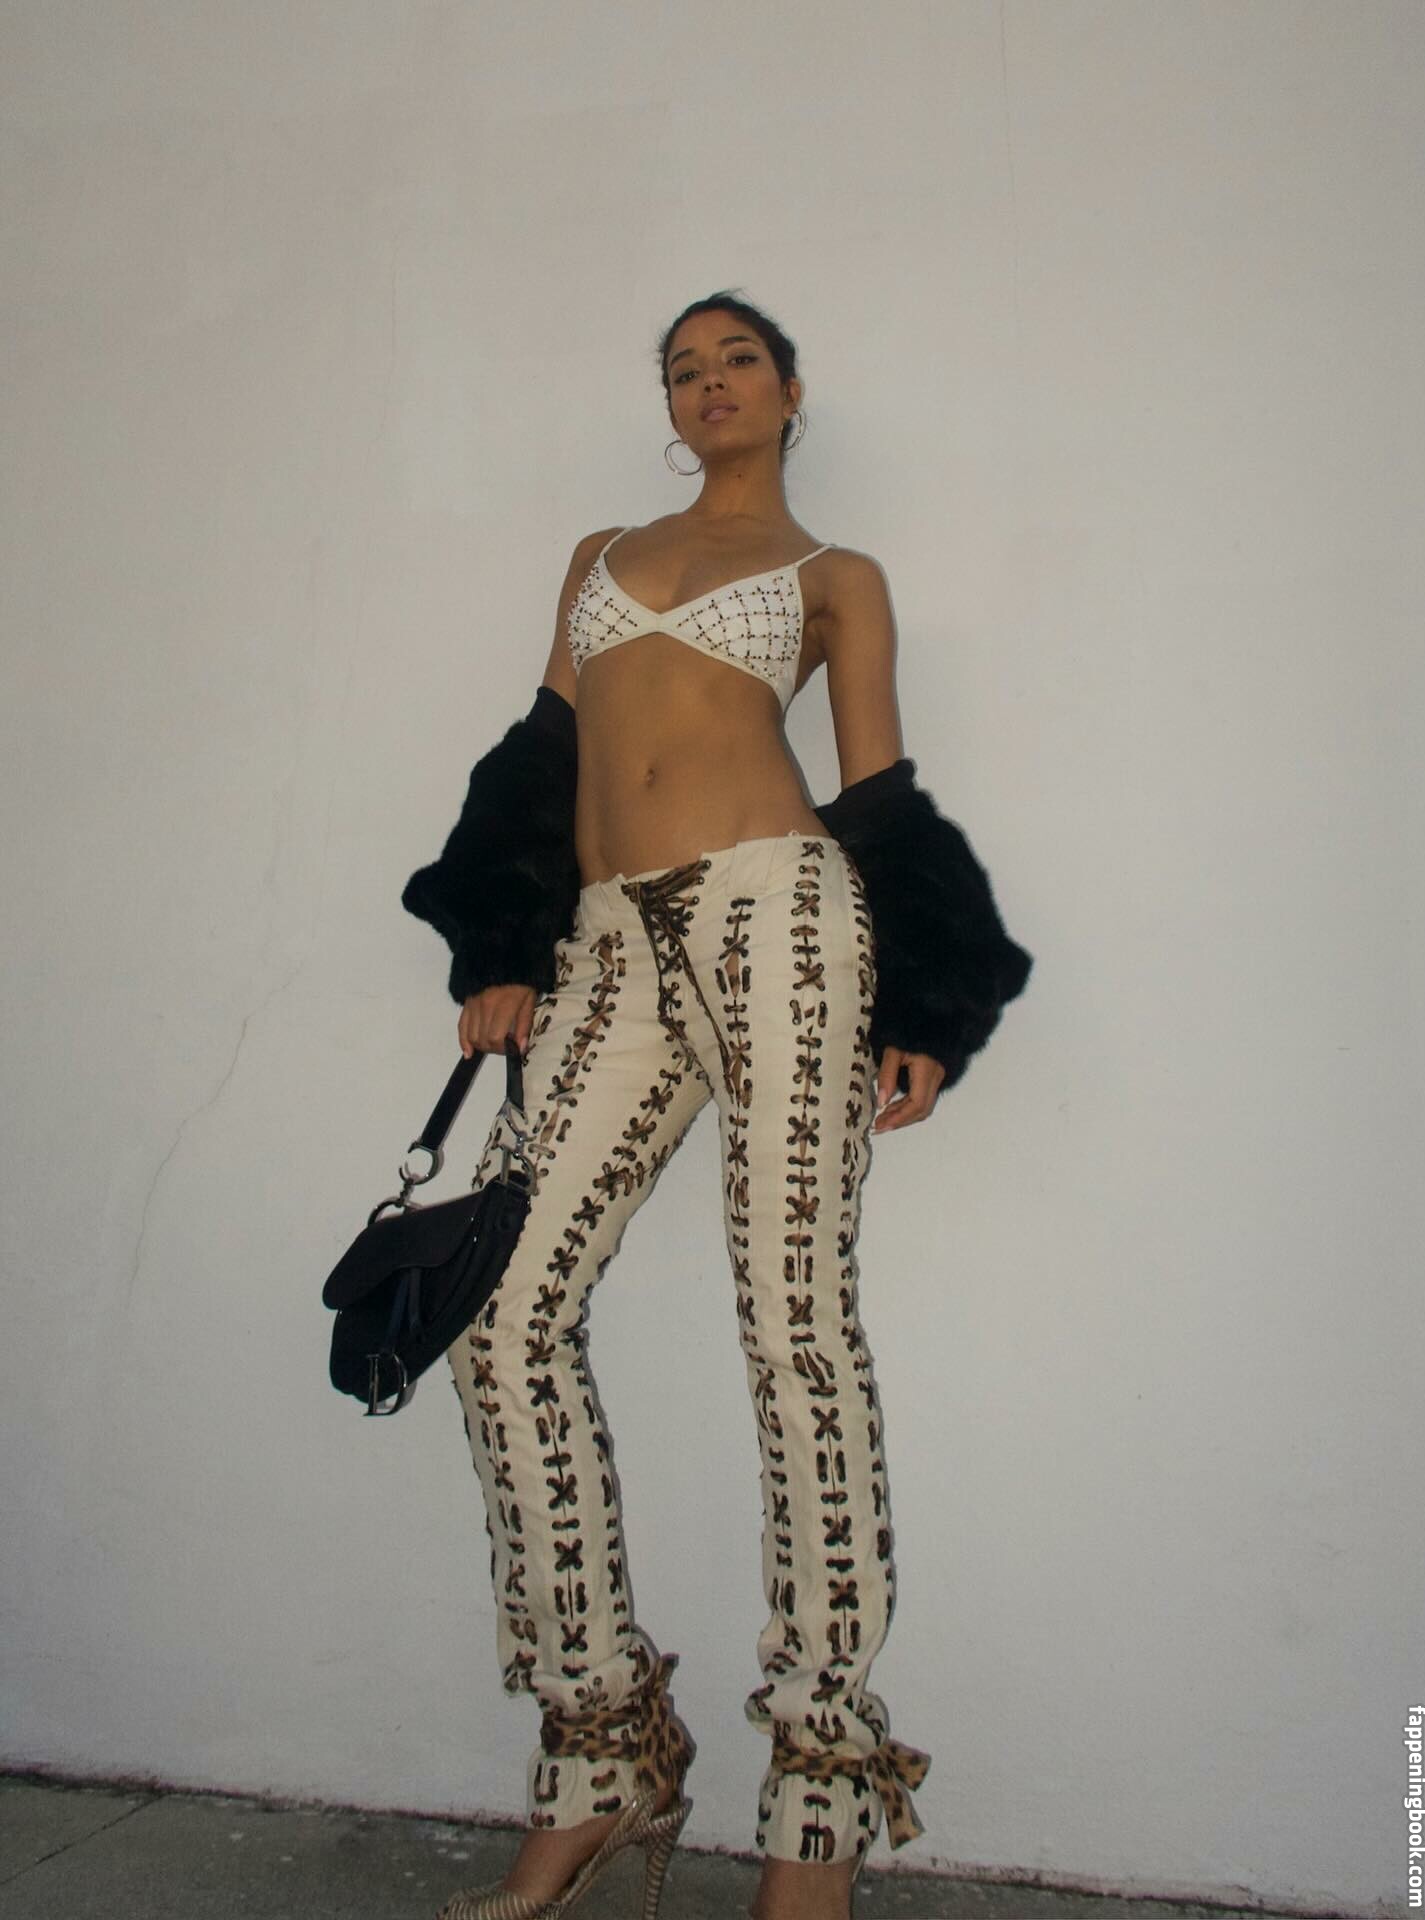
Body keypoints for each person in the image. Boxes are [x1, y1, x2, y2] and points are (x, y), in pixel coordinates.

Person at [401, 290, 1034, 1920]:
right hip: (611, 941)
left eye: (736, 359)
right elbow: (542, 758)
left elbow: (878, 786)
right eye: (682, 369)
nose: (708, 384)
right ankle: (605, 1750)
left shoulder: (836, 576)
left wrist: (928, 1001)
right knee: (501, 1319)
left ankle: (818, 1809)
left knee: (793, 1324)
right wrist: (502, 940)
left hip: (784, 921)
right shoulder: (599, 557)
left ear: (790, 389)